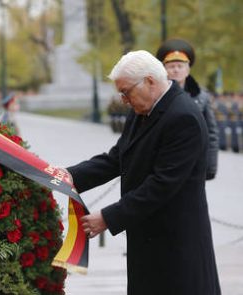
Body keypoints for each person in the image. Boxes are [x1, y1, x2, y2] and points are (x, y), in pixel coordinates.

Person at [66, 50, 221, 295]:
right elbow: (118, 157)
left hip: (177, 245)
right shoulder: (143, 109)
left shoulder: (183, 117)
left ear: (149, 80)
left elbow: (162, 185)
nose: (124, 100)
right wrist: (67, 177)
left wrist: (107, 217)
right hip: (148, 240)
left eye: (126, 91)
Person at [156, 39, 219, 179]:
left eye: (180, 66)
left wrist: (210, 166)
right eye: (171, 66)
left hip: (193, 165)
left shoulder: (201, 96)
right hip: (162, 164)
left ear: (188, 69)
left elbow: (211, 133)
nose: (176, 69)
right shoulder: (155, 96)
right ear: (164, 69)